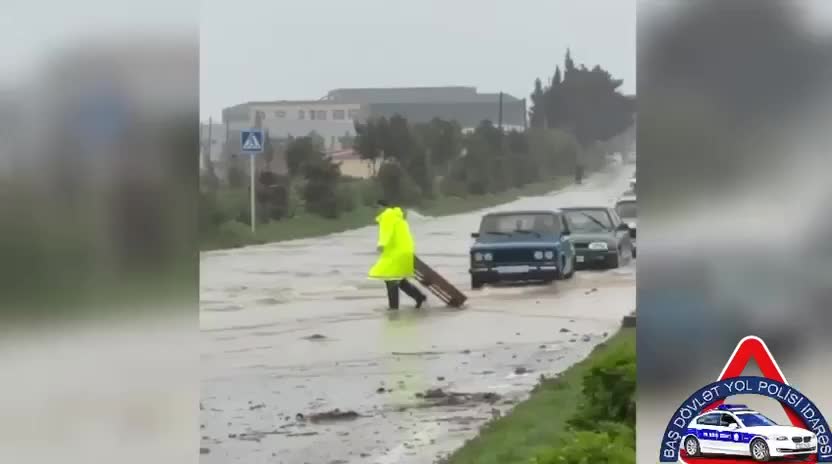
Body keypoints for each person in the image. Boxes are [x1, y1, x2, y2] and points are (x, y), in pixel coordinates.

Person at [368, 200, 427, 310]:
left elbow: (386, 231)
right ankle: (419, 296)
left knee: (390, 279)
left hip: (397, 252)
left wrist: (382, 244)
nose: (376, 210)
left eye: (377, 207)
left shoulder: (387, 216)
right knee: (398, 279)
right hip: (404, 251)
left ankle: (393, 307)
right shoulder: (397, 217)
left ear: (382, 207)